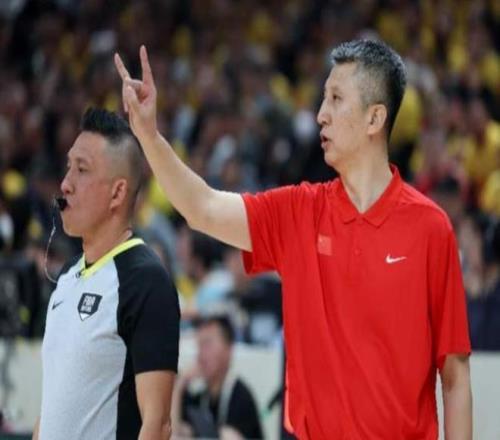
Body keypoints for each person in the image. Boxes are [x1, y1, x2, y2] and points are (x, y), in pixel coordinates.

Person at [115, 40, 472, 439]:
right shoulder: (299, 212)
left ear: (375, 118)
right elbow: (203, 208)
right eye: (323, 98)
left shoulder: (430, 228)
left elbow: (455, 376)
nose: (321, 115)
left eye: (336, 99)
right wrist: (149, 136)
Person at [33, 108, 180, 440]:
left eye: (82, 169)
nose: (65, 184)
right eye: (69, 167)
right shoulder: (67, 277)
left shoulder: (145, 281)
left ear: (117, 193)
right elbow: (52, 408)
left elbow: (158, 424)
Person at [173, 315, 263, 439]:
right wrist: (180, 384)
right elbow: (176, 432)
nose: (201, 354)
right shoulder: (201, 397)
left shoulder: (240, 396)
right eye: (199, 346)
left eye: (207, 344)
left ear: (229, 348)